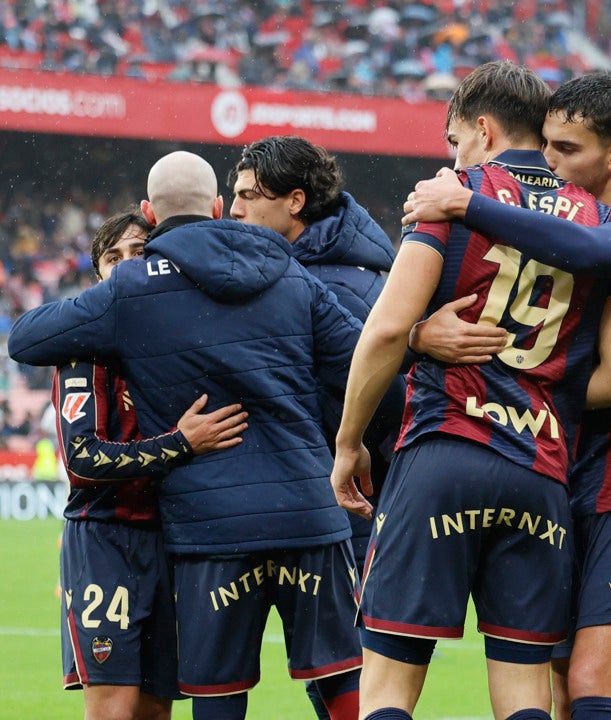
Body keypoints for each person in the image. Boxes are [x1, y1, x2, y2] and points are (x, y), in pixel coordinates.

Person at [330, 60, 611, 720]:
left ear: (481, 128)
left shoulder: (453, 195)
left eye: (454, 140)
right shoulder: (597, 221)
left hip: (443, 450)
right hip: (539, 471)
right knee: (524, 693)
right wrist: (534, 379)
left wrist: (349, 443)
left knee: (388, 686)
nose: (452, 155)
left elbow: (387, 330)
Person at [9, 151, 367, 720]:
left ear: (150, 215)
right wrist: (350, 434)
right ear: (220, 207)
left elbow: (26, 340)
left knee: (217, 696)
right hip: (307, 514)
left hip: (212, 530)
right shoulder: (288, 268)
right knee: (344, 684)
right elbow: (364, 356)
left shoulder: (131, 288)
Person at [402, 72, 611, 720]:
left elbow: (593, 249)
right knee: (561, 685)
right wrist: (420, 336)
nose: (548, 162)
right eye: (544, 145)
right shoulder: (537, 214)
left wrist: (466, 203)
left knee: (598, 681)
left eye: (566, 150)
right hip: (551, 466)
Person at [228, 135, 403, 718]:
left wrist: (350, 447)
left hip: (343, 505)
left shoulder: (340, 286)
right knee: (334, 673)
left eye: (249, 196)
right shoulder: (322, 269)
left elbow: (389, 395)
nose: (234, 209)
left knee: (343, 674)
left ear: (295, 201)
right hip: (323, 499)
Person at [56, 207, 247, 720]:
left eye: (137, 253)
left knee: (155, 712)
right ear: (97, 274)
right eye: (111, 257)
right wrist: (180, 445)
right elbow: (82, 460)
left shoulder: (178, 344)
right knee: (114, 711)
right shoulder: (82, 349)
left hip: (172, 543)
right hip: (106, 540)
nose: (123, 267)